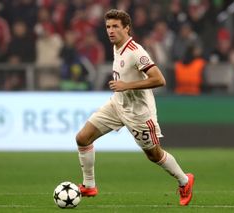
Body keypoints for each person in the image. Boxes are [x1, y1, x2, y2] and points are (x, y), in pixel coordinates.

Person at [76, 9, 194, 206]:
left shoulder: (135, 52)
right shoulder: (116, 46)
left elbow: (159, 79)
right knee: (82, 137)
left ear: (127, 28)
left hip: (139, 114)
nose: (110, 31)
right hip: (117, 104)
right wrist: (122, 90)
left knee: (154, 154)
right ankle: (89, 185)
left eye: (115, 26)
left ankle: (184, 180)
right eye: (108, 27)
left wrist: (126, 86)